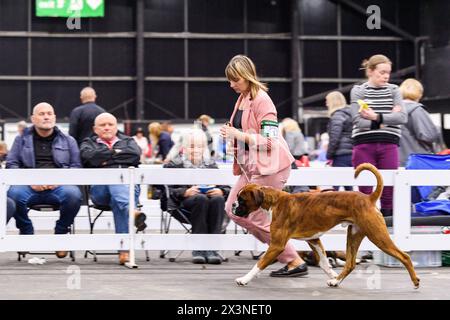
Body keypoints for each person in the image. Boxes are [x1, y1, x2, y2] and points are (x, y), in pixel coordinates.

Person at [220, 54, 308, 277]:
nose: (231, 85)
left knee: (255, 216)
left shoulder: (262, 100)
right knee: (233, 210)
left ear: (247, 77)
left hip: (271, 168)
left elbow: (270, 141)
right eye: (230, 80)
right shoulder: (242, 98)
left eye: (235, 80)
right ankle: (285, 253)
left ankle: (291, 258)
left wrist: (238, 134)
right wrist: (234, 141)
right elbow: (244, 134)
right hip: (251, 168)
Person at [6, 102, 82, 258]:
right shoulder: (20, 140)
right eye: (41, 114)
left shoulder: (69, 141)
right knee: (12, 195)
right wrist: (29, 181)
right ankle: (26, 231)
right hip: (28, 186)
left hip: (59, 187)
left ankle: (60, 233)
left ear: (54, 117)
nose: (46, 116)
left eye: (49, 113)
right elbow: (11, 165)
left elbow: (76, 167)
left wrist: (59, 181)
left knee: (74, 195)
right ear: (33, 119)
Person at [80, 113, 145, 265]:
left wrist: (104, 161)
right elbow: (88, 157)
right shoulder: (88, 143)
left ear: (116, 127)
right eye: (102, 125)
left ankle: (124, 252)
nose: (107, 127)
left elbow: (134, 155)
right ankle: (131, 212)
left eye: (110, 124)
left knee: (118, 198)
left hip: (128, 189)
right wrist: (115, 154)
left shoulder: (128, 141)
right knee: (115, 179)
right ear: (95, 129)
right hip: (100, 191)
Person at [350, 54, 407, 217]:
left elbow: (402, 118)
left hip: (389, 143)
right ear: (370, 71)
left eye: (388, 73)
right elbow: (357, 121)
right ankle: (365, 219)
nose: (386, 76)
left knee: (389, 186)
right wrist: (388, 118)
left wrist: (375, 117)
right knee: (364, 186)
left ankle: (388, 220)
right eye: (382, 72)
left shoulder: (395, 90)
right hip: (363, 144)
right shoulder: (358, 90)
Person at [163, 129, 230, 264]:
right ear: (184, 148)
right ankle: (198, 249)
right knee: (200, 199)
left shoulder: (211, 165)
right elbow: (168, 191)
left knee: (218, 199)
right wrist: (184, 192)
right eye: (192, 146)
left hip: (210, 202)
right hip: (184, 204)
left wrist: (221, 191)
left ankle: (212, 250)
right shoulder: (174, 165)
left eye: (200, 146)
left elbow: (226, 188)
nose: (196, 150)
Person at [398, 78, 440, 166]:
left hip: (399, 160)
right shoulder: (417, 110)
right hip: (417, 161)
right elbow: (428, 135)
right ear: (419, 94)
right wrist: (437, 130)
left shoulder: (395, 110)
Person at [325, 91, 353, 191]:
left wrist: (329, 155)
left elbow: (334, 137)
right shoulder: (350, 114)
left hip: (340, 155)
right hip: (351, 153)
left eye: (327, 101)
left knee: (334, 188)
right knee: (349, 186)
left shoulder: (337, 115)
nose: (326, 104)